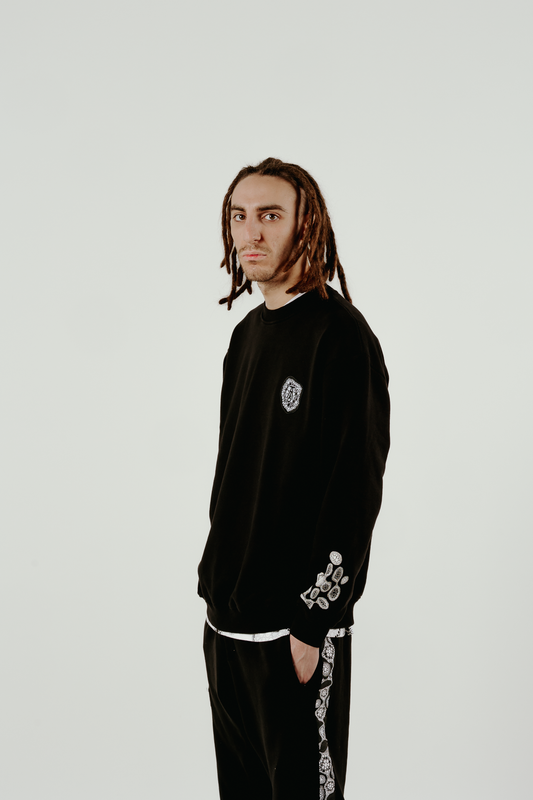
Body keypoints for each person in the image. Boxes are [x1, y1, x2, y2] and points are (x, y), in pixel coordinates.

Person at [197, 157, 390, 800]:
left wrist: (314, 621)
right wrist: (215, 591)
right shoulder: (245, 338)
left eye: (271, 215)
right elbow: (235, 476)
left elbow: (354, 493)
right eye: (239, 216)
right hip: (226, 623)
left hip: (294, 631)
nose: (250, 232)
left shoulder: (341, 337)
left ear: (308, 224)